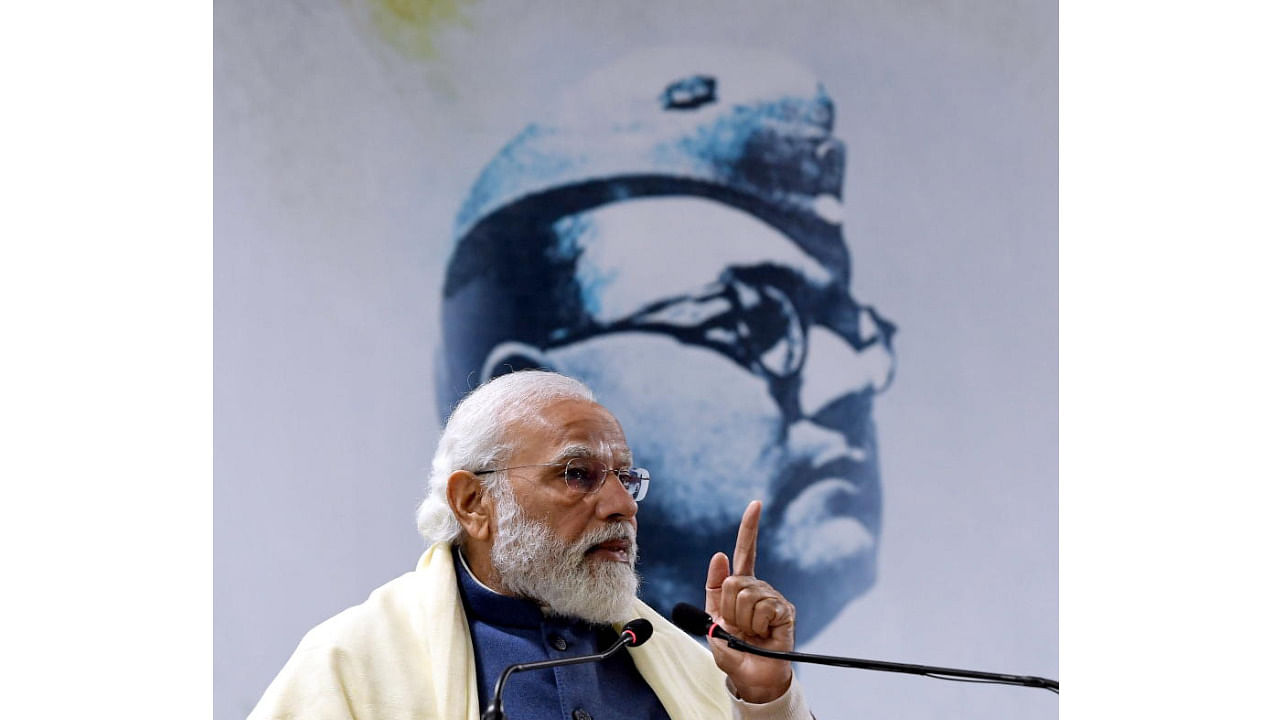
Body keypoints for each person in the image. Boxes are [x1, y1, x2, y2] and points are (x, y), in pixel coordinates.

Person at [436, 47, 897, 643]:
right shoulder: (362, 675)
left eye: (852, 329)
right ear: (528, 386)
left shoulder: (735, 681)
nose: (851, 380)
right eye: (756, 322)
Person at [251, 371, 812, 719]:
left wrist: (765, 697)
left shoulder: (672, 658)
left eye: (625, 477)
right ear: (474, 502)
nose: (623, 505)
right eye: (577, 474)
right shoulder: (353, 660)